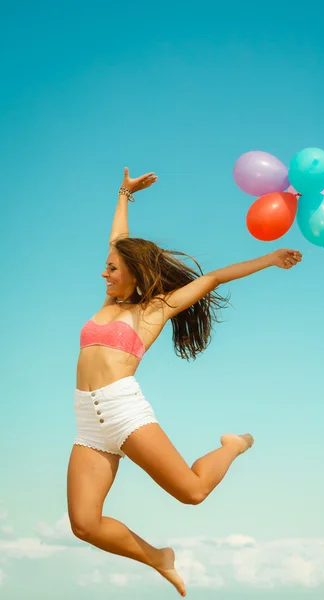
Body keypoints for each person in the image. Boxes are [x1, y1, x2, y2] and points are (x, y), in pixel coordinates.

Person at [67, 168, 302, 597]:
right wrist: (124, 193)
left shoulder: (153, 311)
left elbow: (210, 279)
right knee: (84, 523)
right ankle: (158, 557)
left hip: (122, 411)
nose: (104, 274)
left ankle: (233, 444)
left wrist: (268, 259)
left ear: (133, 272)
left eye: (112, 269)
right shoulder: (108, 299)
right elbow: (116, 238)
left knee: (192, 493)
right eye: (105, 267)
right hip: (87, 420)